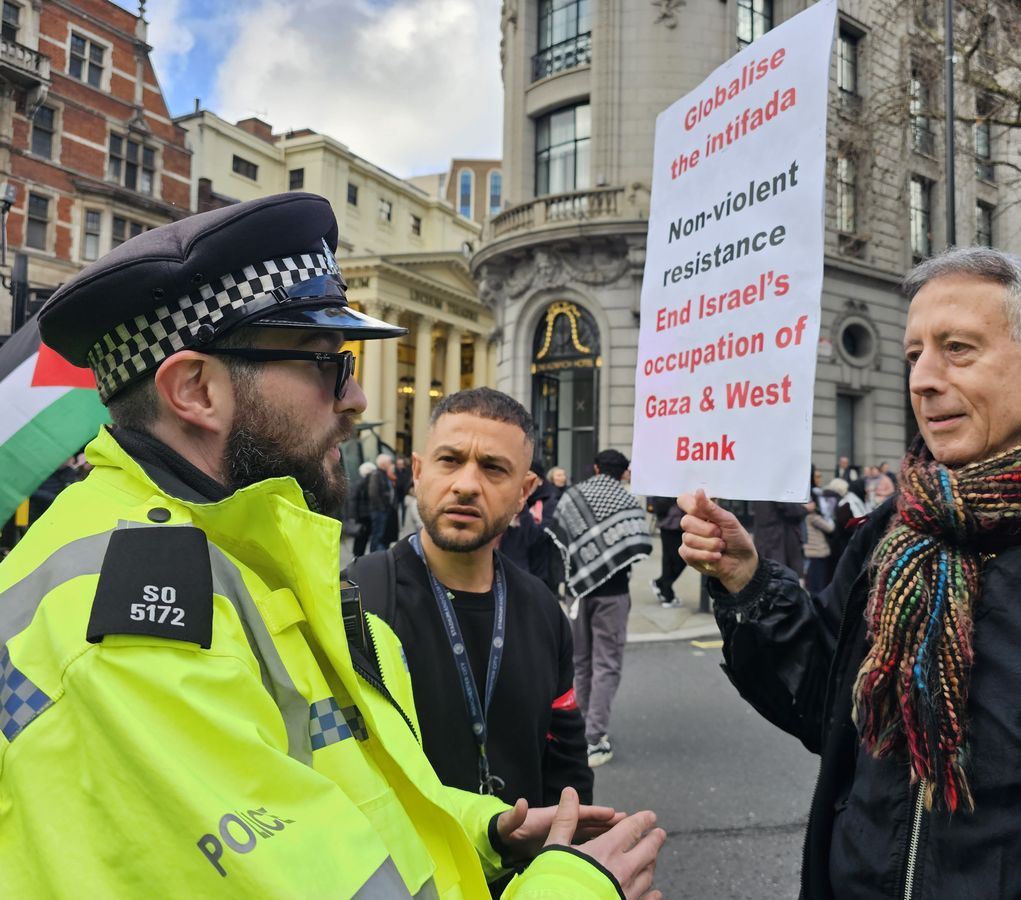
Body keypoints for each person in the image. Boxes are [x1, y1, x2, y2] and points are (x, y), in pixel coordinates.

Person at [0, 193, 664, 898]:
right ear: (196, 389)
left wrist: (482, 830)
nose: (356, 398)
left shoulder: (235, 551)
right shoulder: (131, 622)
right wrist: (581, 889)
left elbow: (336, 797)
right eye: (325, 363)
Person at [678, 246, 1021, 899]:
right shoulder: (890, 536)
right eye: (913, 356)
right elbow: (828, 712)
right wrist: (748, 581)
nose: (922, 379)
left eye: (956, 349)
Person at [347, 388, 591, 820]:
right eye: (450, 460)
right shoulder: (355, 596)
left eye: (494, 468)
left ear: (524, 491)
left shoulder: (543, 610)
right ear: (419, 471)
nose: (465, 485)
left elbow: (567, 757)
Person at [549, 449, 652, 767]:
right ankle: (594, 738)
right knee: (606, 664)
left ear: (595, 467)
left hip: (578, 593)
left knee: (580, 662)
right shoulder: (627, 502)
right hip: (613, 594)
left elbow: (558, 538)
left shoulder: (574, 495)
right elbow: (638, 548)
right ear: (623, 473)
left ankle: (577, 729)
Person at [749, 499, 807, 575]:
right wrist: (805, 508)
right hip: (777, 537)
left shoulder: (759, 493)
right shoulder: (776, 492)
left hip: (764, 536)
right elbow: (791, 509)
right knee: (779, 572)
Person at [648, 496, 686, 609]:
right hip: (670, 522)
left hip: (675, 523)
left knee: (671, 559)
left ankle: (664, 589)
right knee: (676, 559)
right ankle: (665, 590)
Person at [800, 500, 834, 593]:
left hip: (809, 552)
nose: (813, 504)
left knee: (812, 580)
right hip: (818, 551)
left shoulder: (802, 517)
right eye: (809, 502)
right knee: (818, 581)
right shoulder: (813, 517)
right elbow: (830, 528)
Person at [367, 451, 395, 551]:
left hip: (383, 510)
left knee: (381, 534)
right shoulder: (376, 474)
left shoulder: (383, 474)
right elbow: (373, 493)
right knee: (377, 535)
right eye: (389, 462)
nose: (391, 464)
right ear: (383, 464)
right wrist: (382, 508)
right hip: (378, 511)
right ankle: (373, 557)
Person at [351, 459, 377, 559]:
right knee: (362, 536)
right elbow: (355, 500)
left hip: (362, 514)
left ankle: (357, 555)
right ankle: (357, 556)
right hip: (364, 515)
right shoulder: (365, 483)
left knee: (361, 536)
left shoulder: (359, 482)